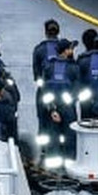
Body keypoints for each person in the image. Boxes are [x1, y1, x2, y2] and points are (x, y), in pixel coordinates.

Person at [35, 37, 80, 172]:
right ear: (66, 51)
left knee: (53, 138)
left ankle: (52, 170)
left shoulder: (48, 67)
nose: (72, 50)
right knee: (70, 138)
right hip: (68, 110)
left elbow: (44, 91)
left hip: (51, 110)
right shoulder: (73, 68)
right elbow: (77, 90)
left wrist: (52, 109)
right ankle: (70, 168)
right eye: (70, 48)